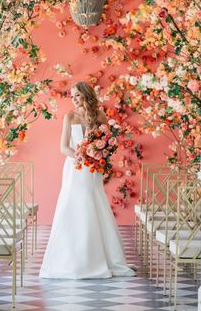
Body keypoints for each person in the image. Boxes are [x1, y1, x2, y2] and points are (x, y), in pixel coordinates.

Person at [39, 81, 136, 279]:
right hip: (75, 168)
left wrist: (99, 155)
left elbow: (109, 144)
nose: (74, 99)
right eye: (72, 96)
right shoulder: (70, 117)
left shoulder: (99, 116)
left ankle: (102, 257)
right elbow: (64, 147)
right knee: (74, 205)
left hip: (94, 170)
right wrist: (82, 156)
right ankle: (72, 258)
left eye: (77, 95)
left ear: (86, 95)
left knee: (94, 203)